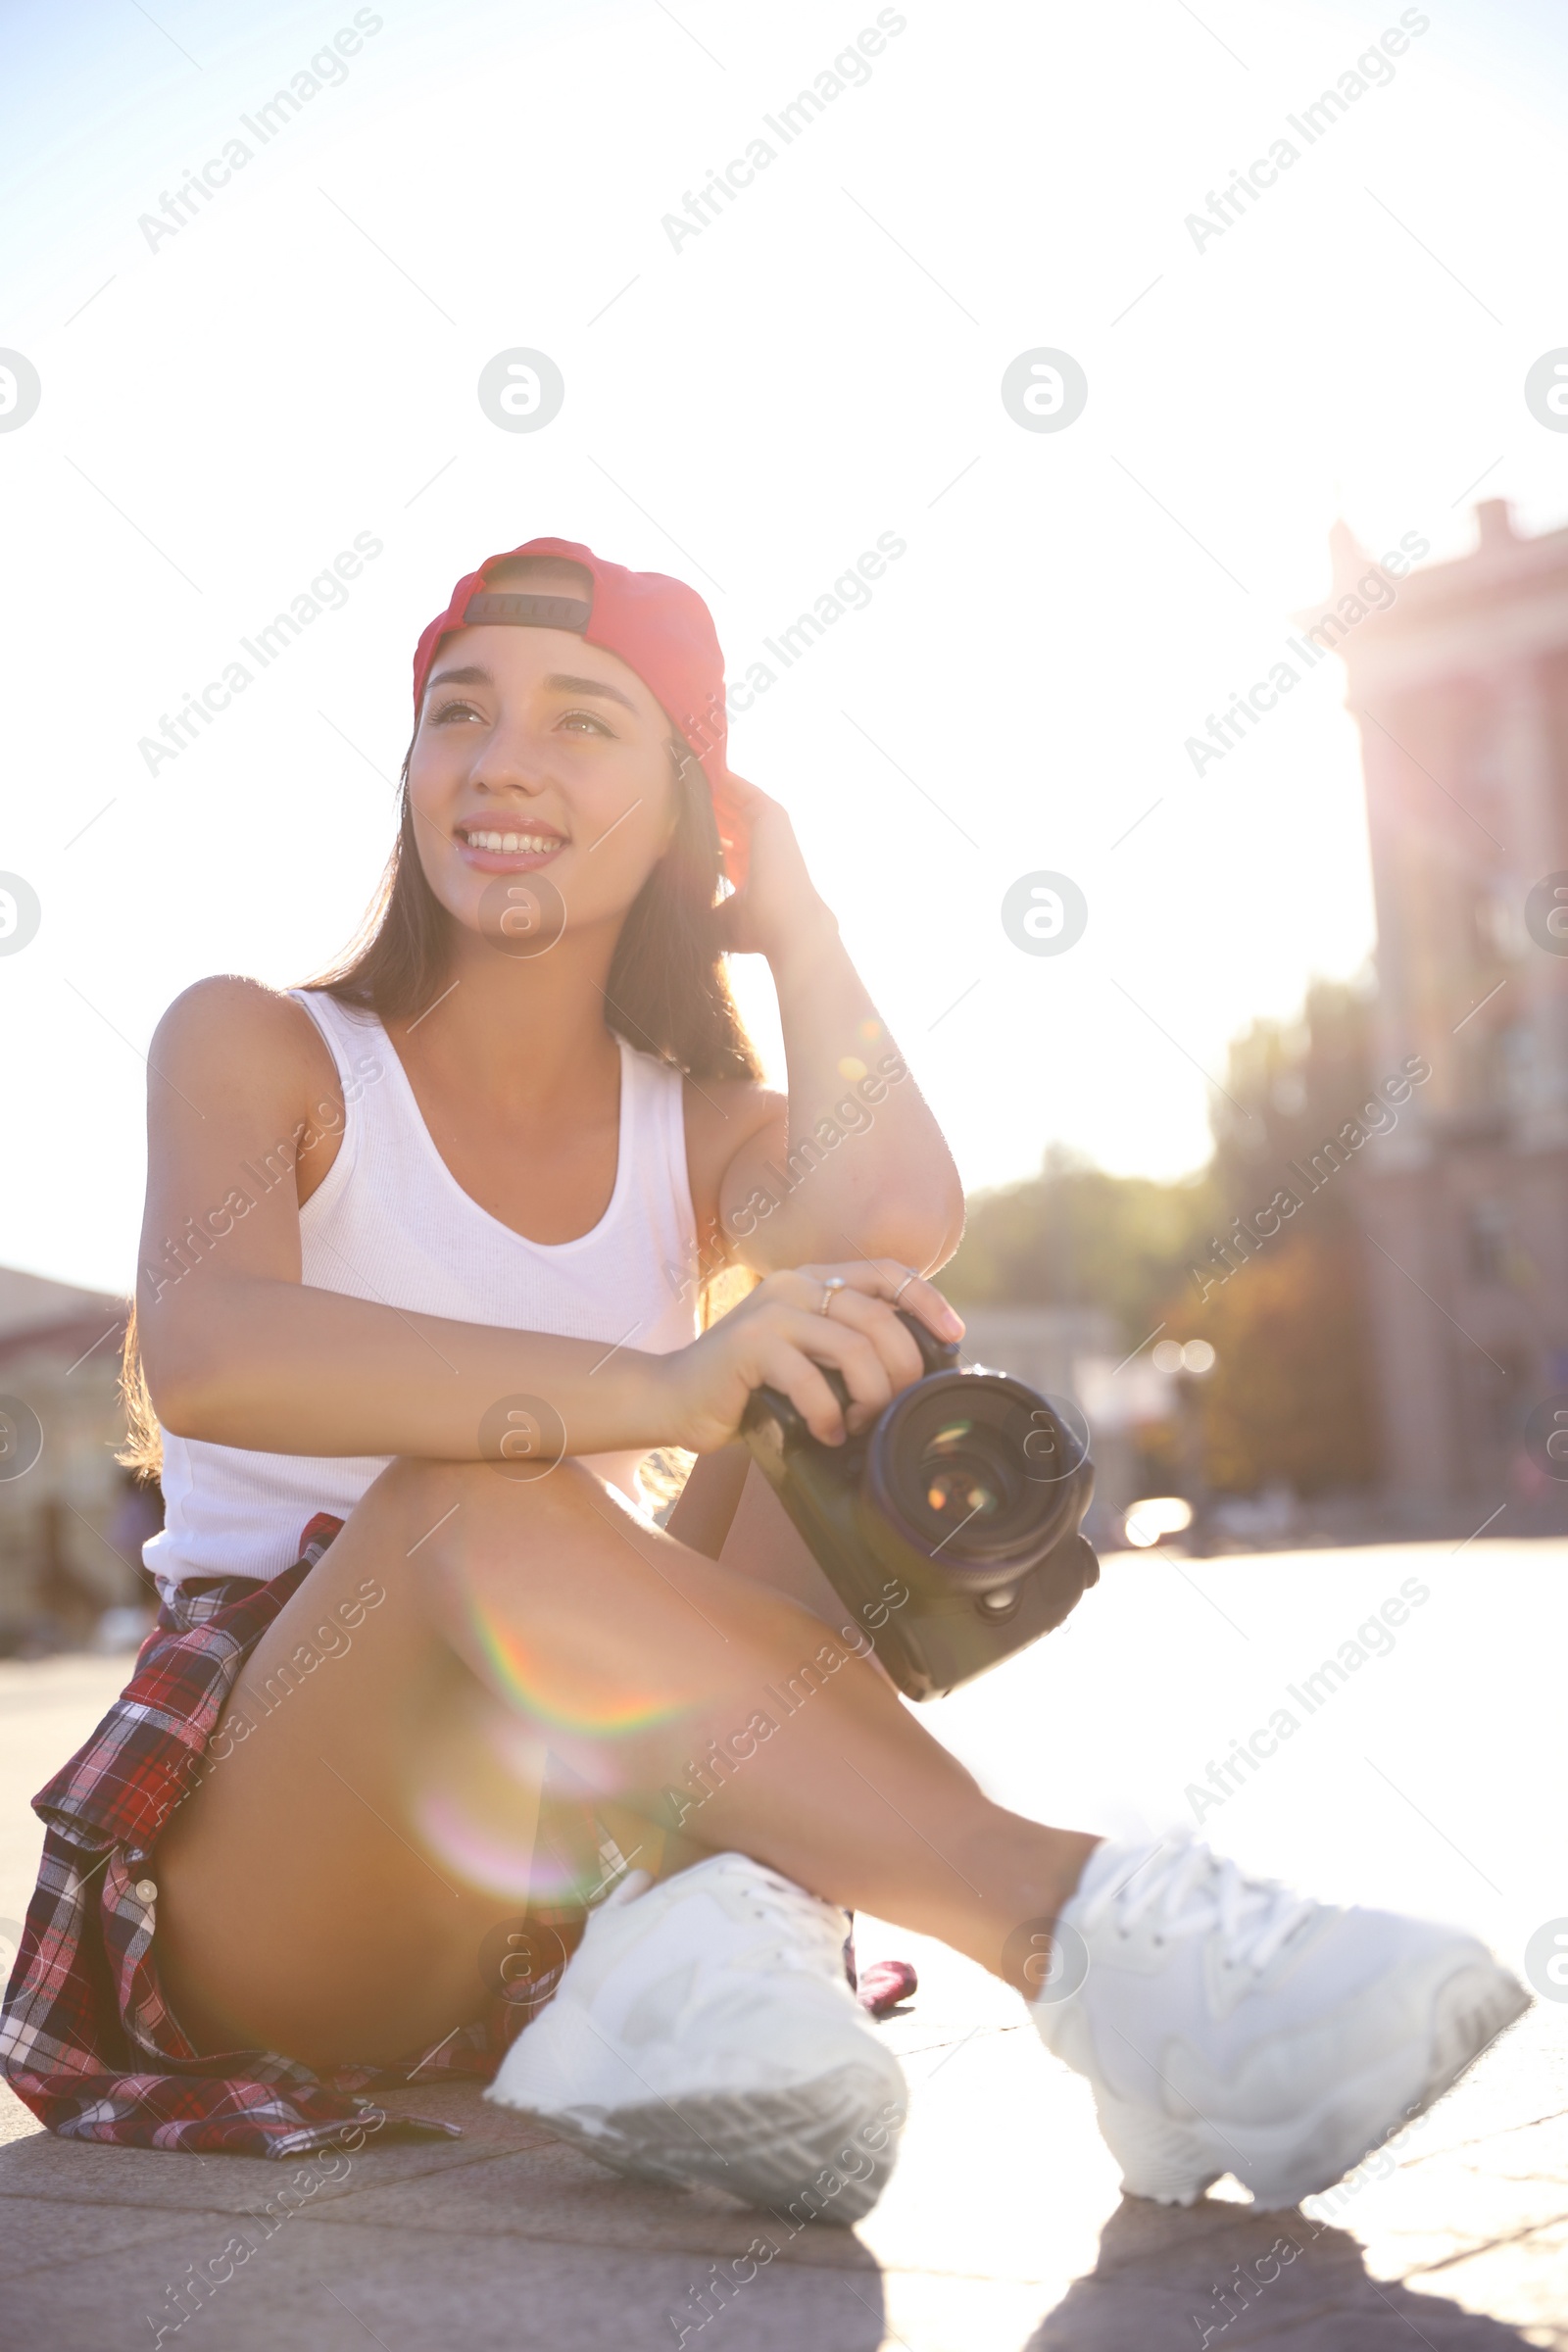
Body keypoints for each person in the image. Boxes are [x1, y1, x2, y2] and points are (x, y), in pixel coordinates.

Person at [0, 538, 1527, 2223]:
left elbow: (897, 1219)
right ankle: (1098, 1946)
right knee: (477, 1499)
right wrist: (661, 1384)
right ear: (415, 764)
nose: (501, 758)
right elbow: (214, 1351)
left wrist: (796, 912)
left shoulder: (686, 1126)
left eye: (584, 722)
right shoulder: (264, 1045)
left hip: (558, 1835)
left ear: (683, 806)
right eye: (459, 713)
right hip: (285, 1854)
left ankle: (715, 1955)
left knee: (845, 1350)